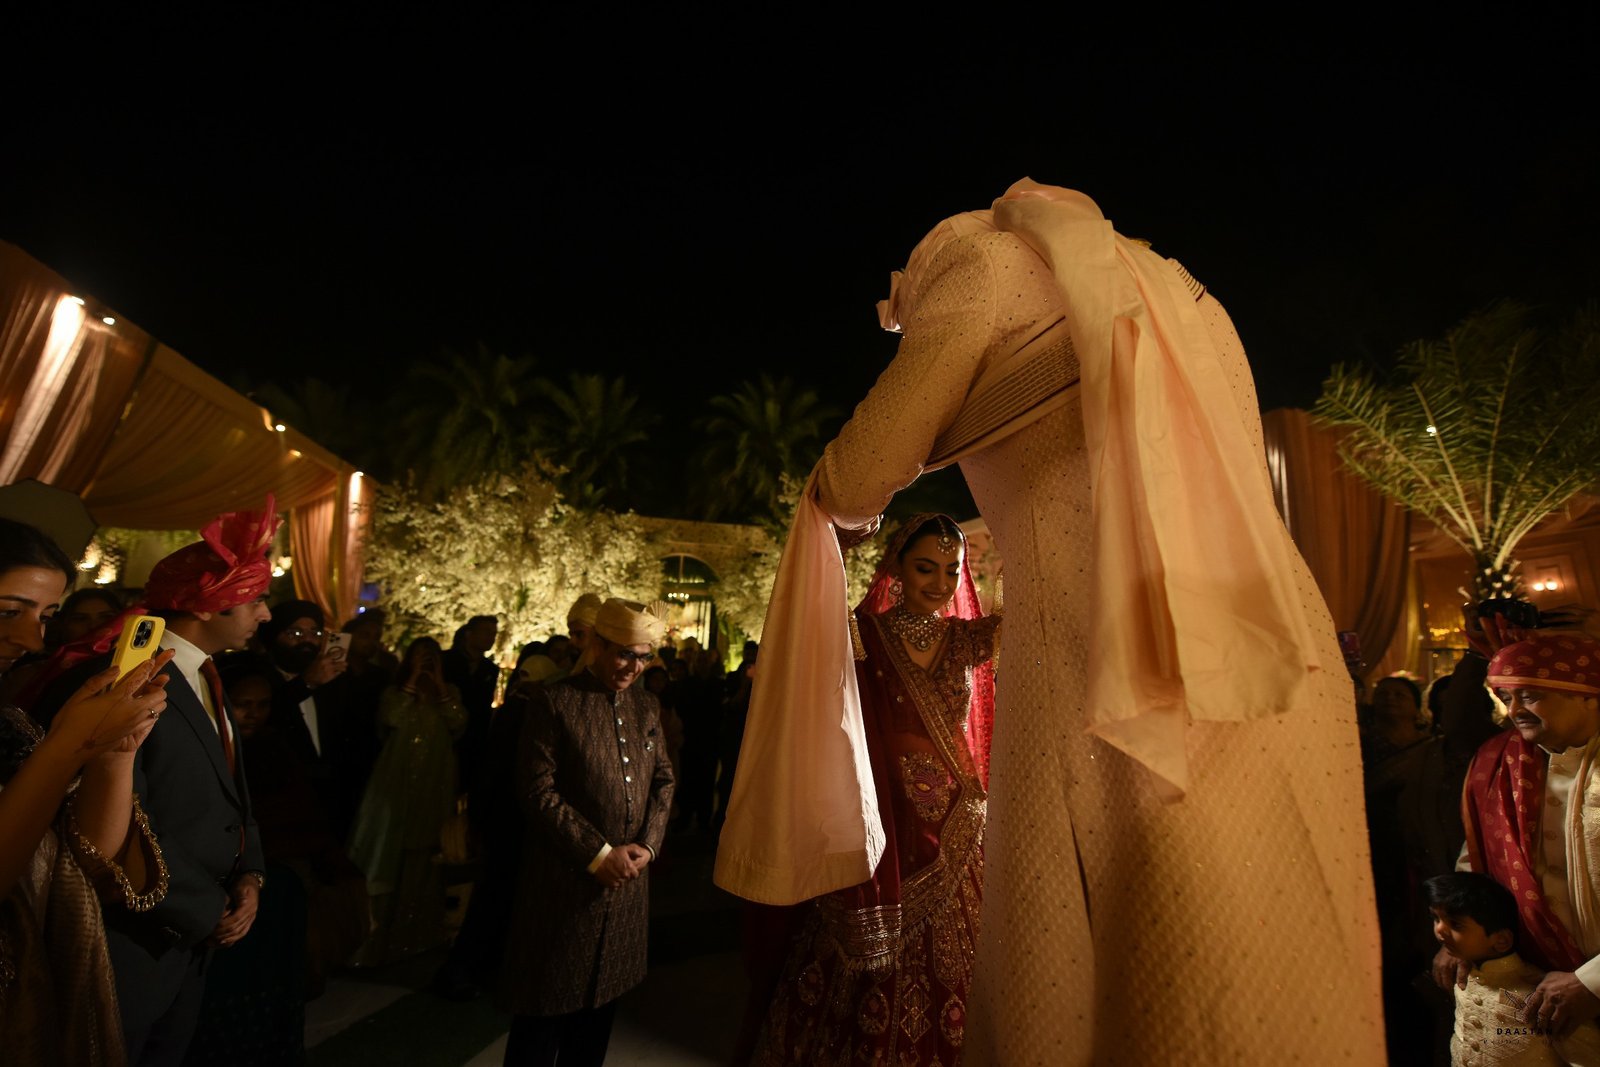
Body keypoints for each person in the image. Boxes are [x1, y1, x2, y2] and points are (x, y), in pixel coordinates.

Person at [715, 180, 1384, 1063]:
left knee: (1112, 965)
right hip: (1266, 641)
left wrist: (832, 503)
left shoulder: (980, 263)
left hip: (1105, 650)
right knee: (1274, 937)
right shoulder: (1167, 284)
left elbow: (858, 471)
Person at [37, 498, 277, 1066]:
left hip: (188, 933)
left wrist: (251, 875)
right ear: (214, 604)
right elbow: (115, 812)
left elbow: (231, 793)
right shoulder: (128, 677)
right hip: (134, 932)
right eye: (258, 599)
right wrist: (204, 905)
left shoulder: (206, 676)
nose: (266, 615)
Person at [754, 515, 996, 1065]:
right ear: (897, 568)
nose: (939, 582)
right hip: (880, 818)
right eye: (925, 567)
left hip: (956, 826)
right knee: (866, 960)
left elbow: (1044, 612)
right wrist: (833, 542)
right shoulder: (864, 636)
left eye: (951, 570)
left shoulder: (971, 638)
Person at [0, 518, 172, 1065]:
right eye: (8, 611)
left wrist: (113, 756)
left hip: (41, 985)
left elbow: (89, 864)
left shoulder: (11, 725)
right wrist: (66, 747)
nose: (31, 640)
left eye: (46, 617)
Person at [503, 598, 674, 1067]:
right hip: (563, 888)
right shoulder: (555, 701)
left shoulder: (647, 707)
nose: (633, 667)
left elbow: (664, 780)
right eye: (623, 654)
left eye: (643, 657)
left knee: (595, 1026)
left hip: (625, 895)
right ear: (597, 644)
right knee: (543, 1018)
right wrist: (598, 855)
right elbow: (537, 791)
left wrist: (647, 845)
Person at [1449, 631, 1600, 1041]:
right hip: (1526, 985)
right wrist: (1460, 934)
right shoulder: (1499, 762)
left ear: (1588, 694)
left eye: (1530, 696)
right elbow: (1476, 858)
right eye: (1506, 697)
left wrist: (1592, 982)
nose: (1513, 711)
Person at [346, 636, 466, 965]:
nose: (426, 664)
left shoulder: (449, 693)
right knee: (389, 847)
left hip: (434, 781)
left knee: (424, 850)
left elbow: (459, 723)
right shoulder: (394, 692)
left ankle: (414, 936)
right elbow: (390, 720)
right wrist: (412, 681)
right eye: (420, 658)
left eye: (431, 659)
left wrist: (439, 687)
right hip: (394, 781)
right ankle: (374, 938)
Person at [1426, 871, 1600, 1065]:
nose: (1439, 929)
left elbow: (1586, 1058)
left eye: (1455, 924)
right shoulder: (1463, 976)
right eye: (1436, 918)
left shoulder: (1537, 995)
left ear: (1501, 941)